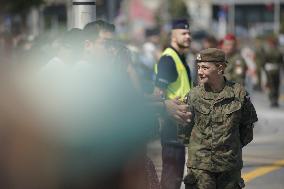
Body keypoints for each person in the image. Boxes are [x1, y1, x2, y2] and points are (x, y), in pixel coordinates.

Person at [183, 48, 258, 189]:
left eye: (205, 68)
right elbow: (184, 130)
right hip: (200, 167)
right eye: (198, 67)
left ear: (220, 67)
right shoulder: (193, 96)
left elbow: (247, 128)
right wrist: (199, 149)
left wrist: (230, 147)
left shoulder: (239, 93)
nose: (200, 72)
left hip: (229, 166)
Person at [154, 19, 192, 189]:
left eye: (189, 33)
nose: (188, 36)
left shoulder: (179, 57)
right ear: (173, 36)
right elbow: (158, 93)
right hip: (171, 126)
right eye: (183, 33)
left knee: (175, 176)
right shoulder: (168, 59)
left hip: (180, 126)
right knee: (171, 177)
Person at [263, 36, 283, 107]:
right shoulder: (279, 51)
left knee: (271, 85)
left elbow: (264, 61)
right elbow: (281, 61)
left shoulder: (267, 51)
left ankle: (272, 100)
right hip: (276, 70)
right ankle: (275, 100)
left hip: (269, 70)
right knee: (276, 85)